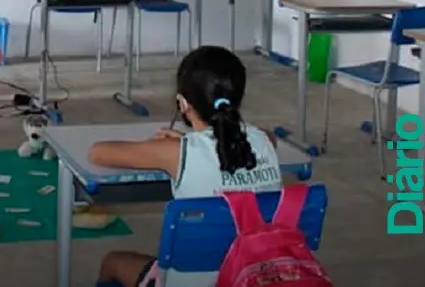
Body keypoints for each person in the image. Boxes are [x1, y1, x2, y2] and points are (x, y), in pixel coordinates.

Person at [88, 46, 282, 287]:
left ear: (182, 103)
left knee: (113, 263)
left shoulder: (178, 152)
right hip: (255, 276)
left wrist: (170, 146)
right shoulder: (266, 142)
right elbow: (260, 138)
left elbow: (98, 153)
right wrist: (187, 141)